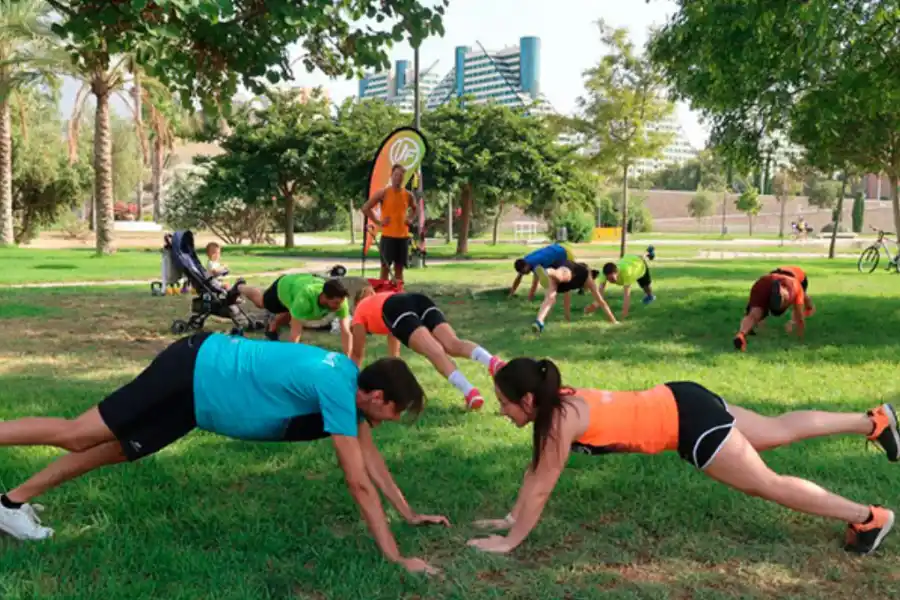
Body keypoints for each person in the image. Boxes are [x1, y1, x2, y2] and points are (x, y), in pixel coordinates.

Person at [0, 333, 447, 574]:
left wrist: (407, 514)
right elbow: (357, 481)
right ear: (374, 395)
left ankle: (9, 504)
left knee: (111, 450)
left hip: (198, 401)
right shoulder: (337, 385)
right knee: (79, 433)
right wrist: (394, 557)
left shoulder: (350, 390)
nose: (392, 419)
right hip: (193, 368)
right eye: (394, 409)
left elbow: (372, 463)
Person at [466, 357, 897, 557]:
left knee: (769, 484)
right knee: (779, 428)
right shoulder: (554, 405)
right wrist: (509, 517)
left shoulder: (559, 421)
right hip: (681, 395)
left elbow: (541, 488)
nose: (502, 412)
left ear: (526, 399)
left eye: (504, 404)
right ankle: (873, 421)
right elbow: (534, 470)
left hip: (689, 425)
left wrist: (510, 541)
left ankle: (869, 517)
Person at [350, 286, 504, 411]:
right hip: (417, 299)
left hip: (395, 308)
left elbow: (357, 353)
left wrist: (350, 381)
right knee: (452, 343)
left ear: (357, 302)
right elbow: (394, 347)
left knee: (434, 351)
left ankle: (470, 392)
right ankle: (492, 362)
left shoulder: (359, 311)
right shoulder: (380, 299)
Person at [229, 274, 351, 351]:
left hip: (296, 292)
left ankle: (272, 329)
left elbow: (346, 332)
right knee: (261, 303)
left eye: (340, 302)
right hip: (284, 287)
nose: (338, 306)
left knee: (292, 313)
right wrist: (292, 358)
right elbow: (296, 332)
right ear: (324, 297)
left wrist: (349, 360)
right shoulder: (305, 299)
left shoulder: (341, 302)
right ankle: (240, 287)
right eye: (335, 303)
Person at [734, 265, 815, 352]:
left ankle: (741, 334)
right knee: (801, 298)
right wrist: (800, 337)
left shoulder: (796, 286)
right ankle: (809, 308)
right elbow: (800, 318)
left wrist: (760, 322)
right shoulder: (796, 288)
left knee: (754, 314)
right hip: (789, 279)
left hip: (768, 279)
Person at [360, 164, 417, 286]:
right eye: (396, 175)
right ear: (391, 176)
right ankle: (383, 292)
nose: (398, 178)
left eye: (401, 176)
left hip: (403, 236)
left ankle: (398, 292)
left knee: (399, 268)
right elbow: (365, 208)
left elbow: (414, 208)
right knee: (385, 267)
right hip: (388, 236)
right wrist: (378, 222)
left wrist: (410, 219)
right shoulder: (383, 192)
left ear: (403, 178)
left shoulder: (408, 195)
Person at [532, 260, 618, 332]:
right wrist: (613, 320)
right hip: (566, 268)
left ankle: (539, 321)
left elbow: (567, 298)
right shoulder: (587, 277)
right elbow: (601, 302)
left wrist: (567, 317)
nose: (587, 290)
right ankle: (547, 271)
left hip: (558, 278)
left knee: (550, 298)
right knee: (562, 276)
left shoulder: (575, 284)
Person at [599, 246, 657, 320]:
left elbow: (627, 295)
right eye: (608, 279)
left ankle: (650, 296)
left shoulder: (626, 272)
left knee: (646, 287)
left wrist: (624, 313)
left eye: (612, 279)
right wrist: (596, 303)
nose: (610, 281)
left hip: (639, 265)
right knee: (641, 256)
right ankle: (649, 254)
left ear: (617, 272)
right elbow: (600, 290)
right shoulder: (604, 273)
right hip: (628, 259)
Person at [509, 243, 575, 300]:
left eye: (524, 272)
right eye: (523, 273)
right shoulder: (525, 260)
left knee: (570, 275)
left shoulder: (536, 265)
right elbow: (518, 278)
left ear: (526, 266)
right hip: (555, 248)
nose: (525, 274)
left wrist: (529, 299)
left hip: (564, 253)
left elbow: (534, 284)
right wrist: (511, 293)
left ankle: (581, 288)